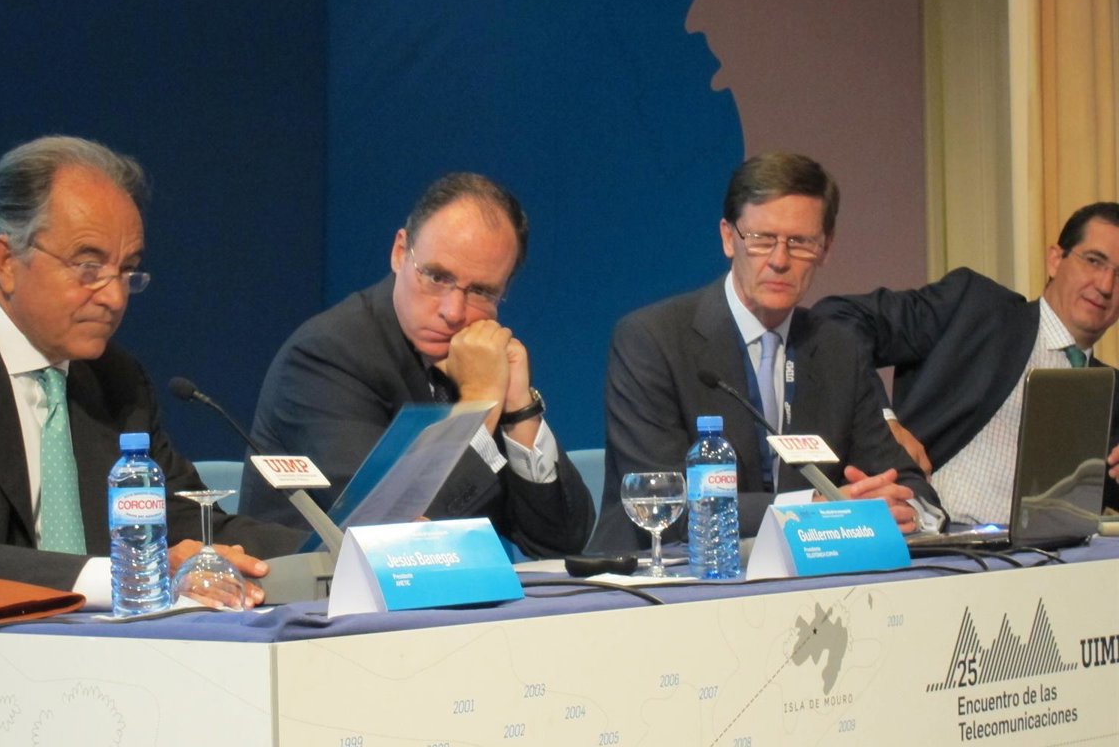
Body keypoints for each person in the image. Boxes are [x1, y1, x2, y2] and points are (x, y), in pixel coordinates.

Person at [0, 136, 304, 607]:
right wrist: (127, 574)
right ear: (6, 261)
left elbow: (183, 520)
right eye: (88, 266)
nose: (114, 297)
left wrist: (342, 550)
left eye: (127, 271)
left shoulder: (115, 378)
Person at [588, 152, 942, 553]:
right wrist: (818, 509)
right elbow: (665, 503)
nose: (779, 260)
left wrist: (901, 507)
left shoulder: (839, 349)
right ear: (728, 238)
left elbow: (908, 482)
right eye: (761, 240)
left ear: (825, 248)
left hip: (806, 576)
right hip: (663, 573)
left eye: (800, 242)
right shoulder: (652, 340)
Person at [240, 173, 593, 558]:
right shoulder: (326, 356)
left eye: (481, 291)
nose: (453, 311)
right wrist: (479, 402)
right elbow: (396, 538)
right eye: (438, 277)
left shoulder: (475, 357)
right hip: (318, 590)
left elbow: (562, 542)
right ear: (399, 252)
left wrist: (518, 408)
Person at [812, 202, 1119, 523]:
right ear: (1055, 259)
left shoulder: (1111, 392)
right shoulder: (976, 309)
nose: (1105, 286)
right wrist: (884, 421)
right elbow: (837, 319)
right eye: (1094, 261)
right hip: (932, 536)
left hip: (1051, 550)